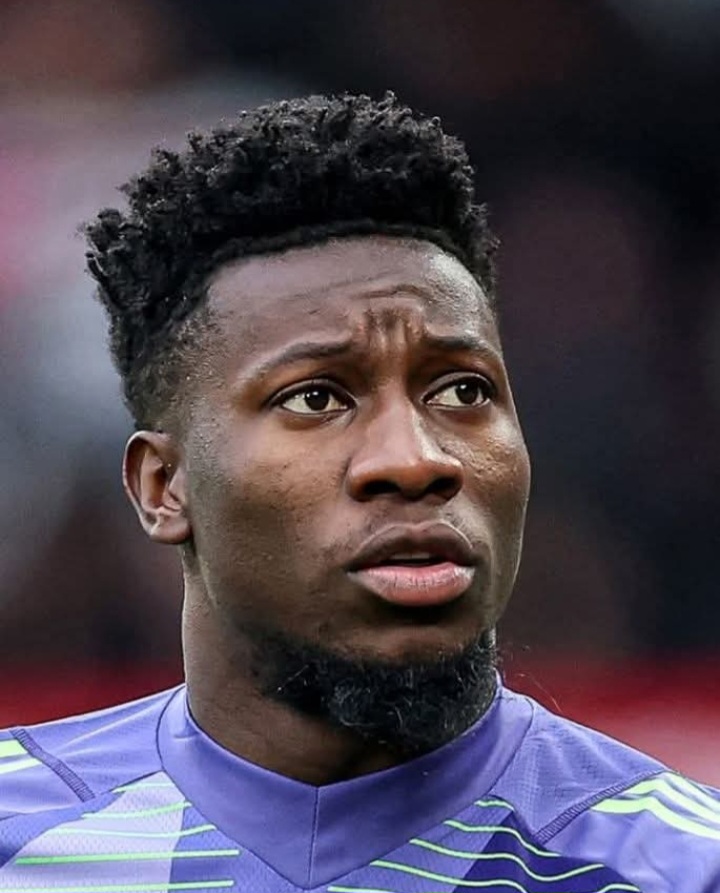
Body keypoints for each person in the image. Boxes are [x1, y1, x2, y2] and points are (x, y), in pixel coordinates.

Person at [0, 92, 717, 891]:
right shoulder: (20, 841)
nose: (416, 460)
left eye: (462, 390)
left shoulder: (682, 868)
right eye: (316, 397)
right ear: (163, 487)